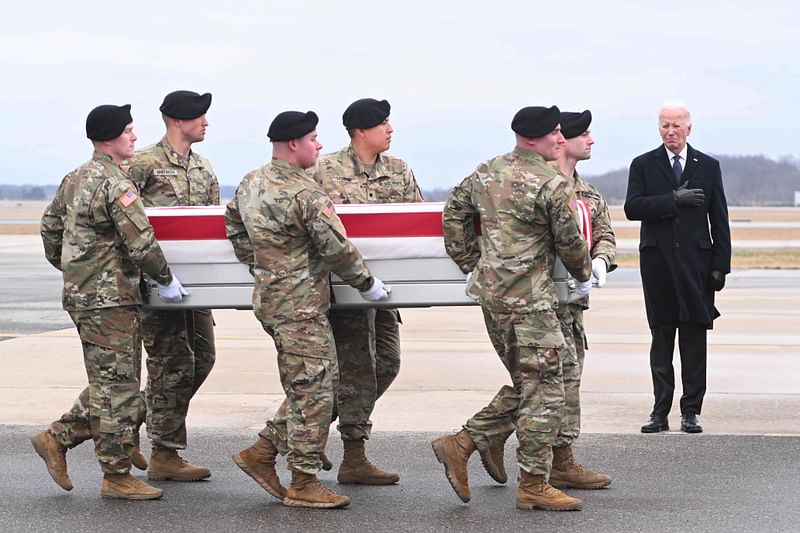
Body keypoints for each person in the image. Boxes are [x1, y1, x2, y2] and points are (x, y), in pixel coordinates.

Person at [34, 91, 219, 485]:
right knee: (121, 380)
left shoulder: (201, 167)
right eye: (128, 131)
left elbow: (52, 231)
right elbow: (139, 238)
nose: (133, 137)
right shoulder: (129, 172)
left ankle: (128, 438)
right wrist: (153, 278)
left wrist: (74, 268)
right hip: (134, 289)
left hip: (170, 289)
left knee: (174, 367)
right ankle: (104, 452)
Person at [225, 110, 391, 509]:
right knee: (314, 391)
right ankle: (302, 482)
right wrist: (367, 285)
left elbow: (232, 224)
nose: (319, 145)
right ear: (294, 144)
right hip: (301, 307)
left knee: (311, 385)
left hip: (272, 299)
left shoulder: (251, 182)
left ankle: (264, 452)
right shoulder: (305, 192)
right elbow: (337, 248)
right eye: (314, 139)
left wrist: (264, 264)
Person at [432, 105, 592, 511]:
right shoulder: (550, 183)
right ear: (534, 138)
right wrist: (584, 273)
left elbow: (454, 213)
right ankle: (532, 483)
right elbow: (571, 244)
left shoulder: (487, 171)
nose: (560, 139)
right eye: (554, 133)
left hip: (493, 300)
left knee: (532, 384)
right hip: (531, 303)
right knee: (547, 389)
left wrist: (473, 262)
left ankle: (464, 443)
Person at [311, 97, 423, 485]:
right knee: (355, 371)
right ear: (362, 130)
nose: (390, 129)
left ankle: (297, 434)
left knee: (386, 364)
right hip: (343, 289)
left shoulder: (399, 170)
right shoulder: (324, 171)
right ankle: (352, 455)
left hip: (385, 293)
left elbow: (417, 223)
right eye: (383, 124)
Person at [127, 90, 219, 480]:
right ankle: (164, 452)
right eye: (199, 115)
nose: (206, 122)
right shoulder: (142, 164)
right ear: (178, 120)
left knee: (202, 358)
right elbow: (123, 218)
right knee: (171, 364)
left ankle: (132, 421)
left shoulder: (203, 168)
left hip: (194, 286)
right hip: (154, 283)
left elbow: (215, 225)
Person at [624, 101, 731, 434]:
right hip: (658, 265)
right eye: (664, 126)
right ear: (659, 129)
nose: (670, 132)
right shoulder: (644, 164)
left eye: (676, 125)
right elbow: (632, 207)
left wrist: (720, 266)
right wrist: (673, 200)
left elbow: (720, 218)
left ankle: (691, 411)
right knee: (662, 337)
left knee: (694, 339)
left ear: (689, 128)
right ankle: (660, 410)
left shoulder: (708, 166)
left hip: (697, 265)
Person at [548, 110, 616, 488]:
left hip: (573, 304)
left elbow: (604, 234)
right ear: (564, 140)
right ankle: (478, 438)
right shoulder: (540, 186)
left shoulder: (588, 193)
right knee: (553, 381)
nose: (590, 140)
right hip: (540, 301)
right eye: (584, 134)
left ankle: (558, 458)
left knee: (568, 378)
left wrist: (602, 260)